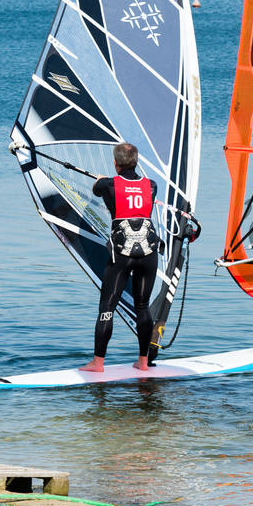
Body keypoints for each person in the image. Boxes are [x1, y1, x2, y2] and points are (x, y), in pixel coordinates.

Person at [80, 142, 159, 373]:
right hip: (148, 252)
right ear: (136, 162)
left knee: (107, 307)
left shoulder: (108, 184)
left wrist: (102, 180)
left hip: (122, 254)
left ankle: (98, 363)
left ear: (116, 163)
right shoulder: (151, 185)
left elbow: (97, 189)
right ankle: (143, 362)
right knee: (142, 307)